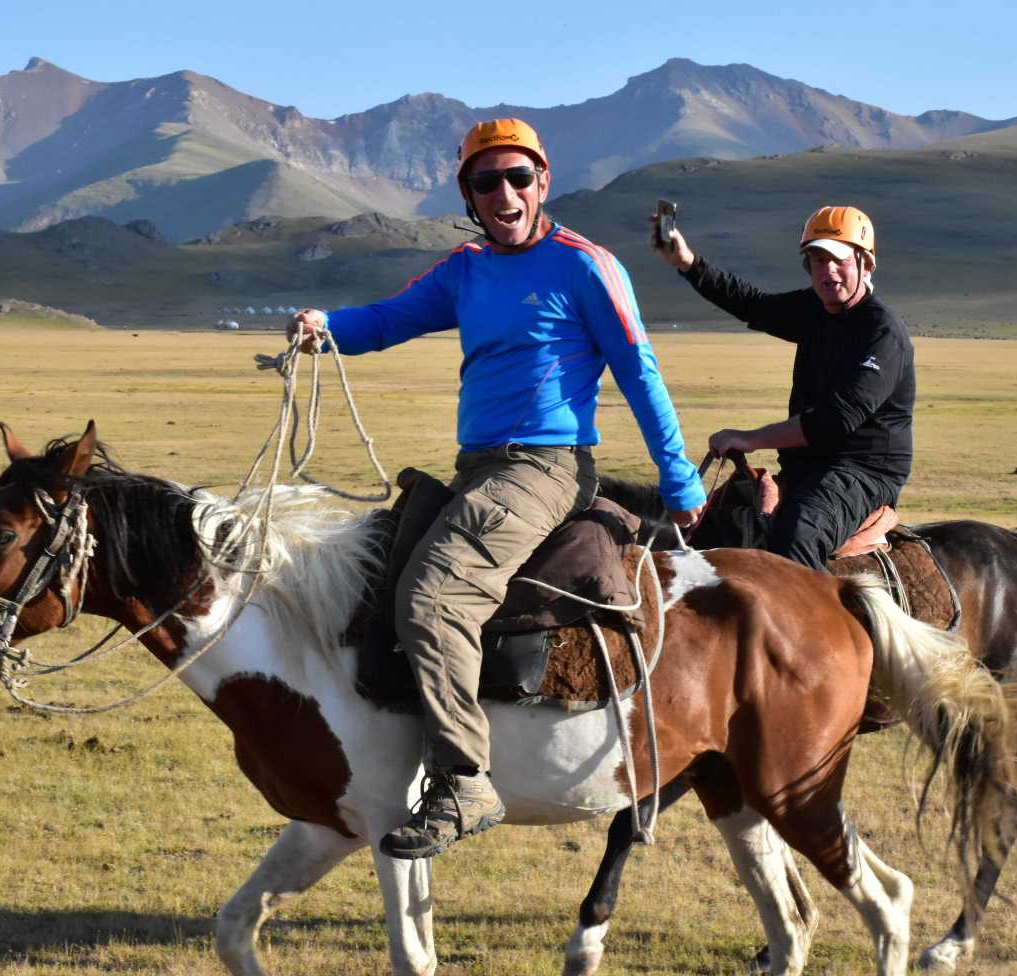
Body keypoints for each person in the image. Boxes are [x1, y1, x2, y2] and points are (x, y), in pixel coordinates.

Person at [289, 118, 706, 860]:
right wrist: (329, 329)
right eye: (487, 181)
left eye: (519, 177)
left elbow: (639, 372)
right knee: (378, 584)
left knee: (435, 597)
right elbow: (390, 318)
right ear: (469, 195)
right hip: (478, 465)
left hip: (546, 466)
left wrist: (678, 476)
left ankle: (465, 779)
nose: (504, 192)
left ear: (543, 183)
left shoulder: (586, 266)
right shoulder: (466, 268)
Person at [651, 205, 914, 571]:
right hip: (807, 466)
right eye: (817, 261)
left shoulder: (882, 333)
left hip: (864, 471)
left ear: (866, 263)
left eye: (839, 260)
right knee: (711, 524)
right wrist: (688, 263)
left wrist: (751, 438)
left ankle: (818, 628)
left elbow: (834, 421)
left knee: (798, 534)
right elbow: (752, 305)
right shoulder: (816, 309)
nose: (828, 271)